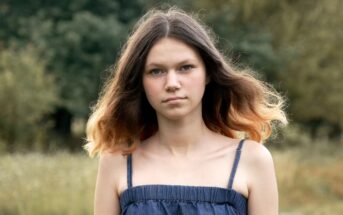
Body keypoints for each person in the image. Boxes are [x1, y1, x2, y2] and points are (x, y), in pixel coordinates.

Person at [85, 7, 287, 215]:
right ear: (140, 81)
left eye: (185, 67)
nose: (172, 83)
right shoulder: (118, 161)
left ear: (208, 73)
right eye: (156, 71)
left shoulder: (251, 159)